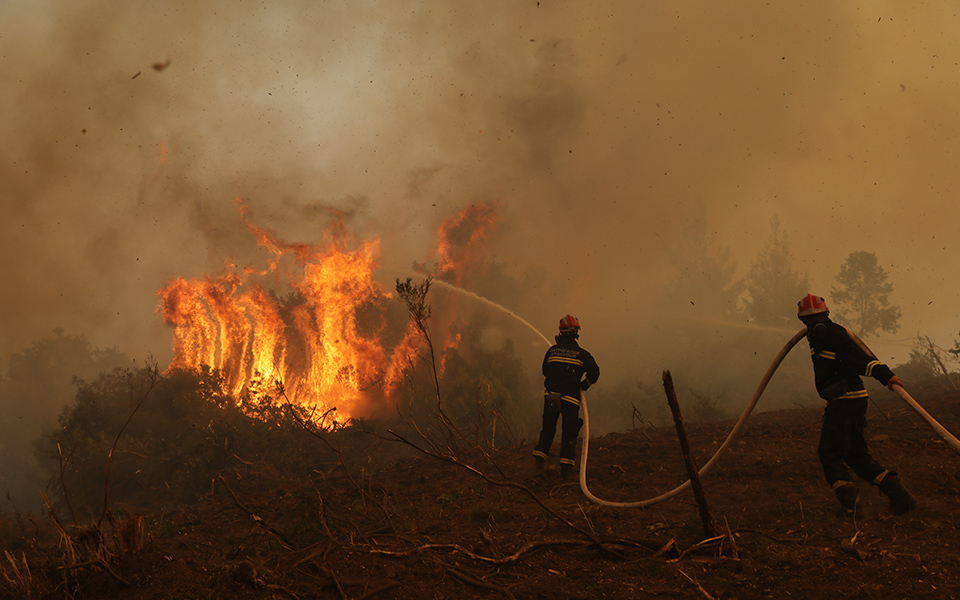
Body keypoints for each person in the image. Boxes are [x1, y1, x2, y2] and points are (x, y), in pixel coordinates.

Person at [797, 294, 916, 515]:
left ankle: (850, 503)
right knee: (855, 454)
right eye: (809, 321)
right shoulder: (820, 337)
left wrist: (886, 376)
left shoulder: (834, 335)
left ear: (827, 315)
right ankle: (899, 495)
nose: (814, 325)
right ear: (803, 323)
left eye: (818, 318)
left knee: (829, 452)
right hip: (852, 399)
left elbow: (860, 359)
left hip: (845, 400)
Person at [532, 315, 600, 480]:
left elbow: (544, 370)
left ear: (560, 333)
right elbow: (595, 373)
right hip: (570, 400)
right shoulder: (582, 355)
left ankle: (540, 459)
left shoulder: (552, 351)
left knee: (548, 428)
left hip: (552, 398)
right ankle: (566, 468)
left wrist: (556, 379)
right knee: (569, 432)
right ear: (576, 333)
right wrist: (584, 385)